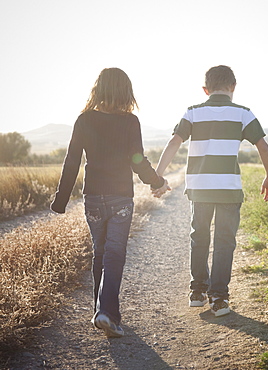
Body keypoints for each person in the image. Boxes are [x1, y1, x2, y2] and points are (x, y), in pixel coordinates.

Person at [51, 68, 169, 337]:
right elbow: (137, 160)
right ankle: (106, 312)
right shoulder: (130, 122)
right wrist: (156, 181)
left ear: (98, 89)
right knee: (114, 253)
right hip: (120, 198)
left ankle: (102, 312)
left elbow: (72, 161)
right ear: (126, 92)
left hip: (92, 197)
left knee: (101, 253)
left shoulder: (84, 120)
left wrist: (61, 199)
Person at [154, 65, 268, 317]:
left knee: (199, 236)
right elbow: (262, 146)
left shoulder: (193, 113)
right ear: (233, 88)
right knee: (224, 241)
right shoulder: (243, 114)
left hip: (199, 188)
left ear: (205, 89)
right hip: (229, 189)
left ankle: (197, 291)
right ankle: (219, 297)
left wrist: (158, 175)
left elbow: (174, 141)